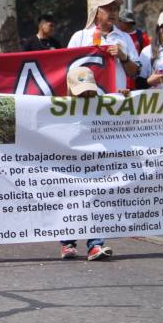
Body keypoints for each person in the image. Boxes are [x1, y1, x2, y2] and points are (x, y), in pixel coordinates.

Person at [59, 66, 114, 261]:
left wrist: (125, 97)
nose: (87, 96)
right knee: (72, 201)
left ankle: (95, 245)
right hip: (70, 164)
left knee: (95, 200)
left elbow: (123, 111)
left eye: (90, 91)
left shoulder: (104, 103)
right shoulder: (57, 108)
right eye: (82, 93)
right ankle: (67, 243)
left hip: (95, 163)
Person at [67, 0, 140, 89]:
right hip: (88, 99)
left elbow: (135, 72)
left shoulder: (125, 38)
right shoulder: (80, 37)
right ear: (96, 12)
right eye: (108, 9)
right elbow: (69, 70)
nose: (113, 13)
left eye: (115, 9)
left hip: (116, 99)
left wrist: (124, 58)